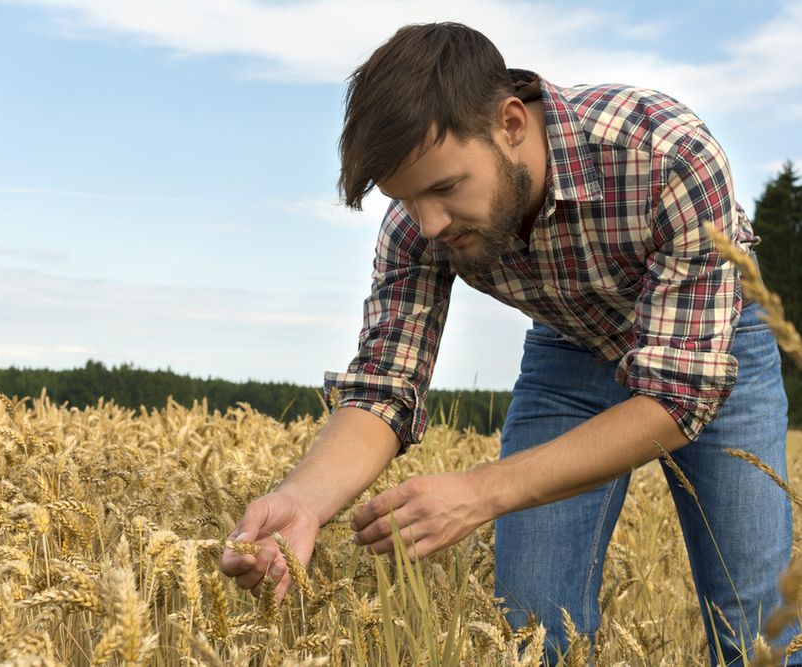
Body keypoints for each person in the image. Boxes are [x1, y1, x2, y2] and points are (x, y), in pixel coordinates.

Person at [219, 22, 796, 664]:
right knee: (529, 628)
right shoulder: (419, 224)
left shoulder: (665, 152)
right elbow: (384, 387)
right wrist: (302, 502)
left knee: (758, 621)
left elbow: (677, 398)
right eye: (407, 200)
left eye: (444, 188)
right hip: (571, 349)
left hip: (712, 351)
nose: (429, 223)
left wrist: (482, 491)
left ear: (511, 123)